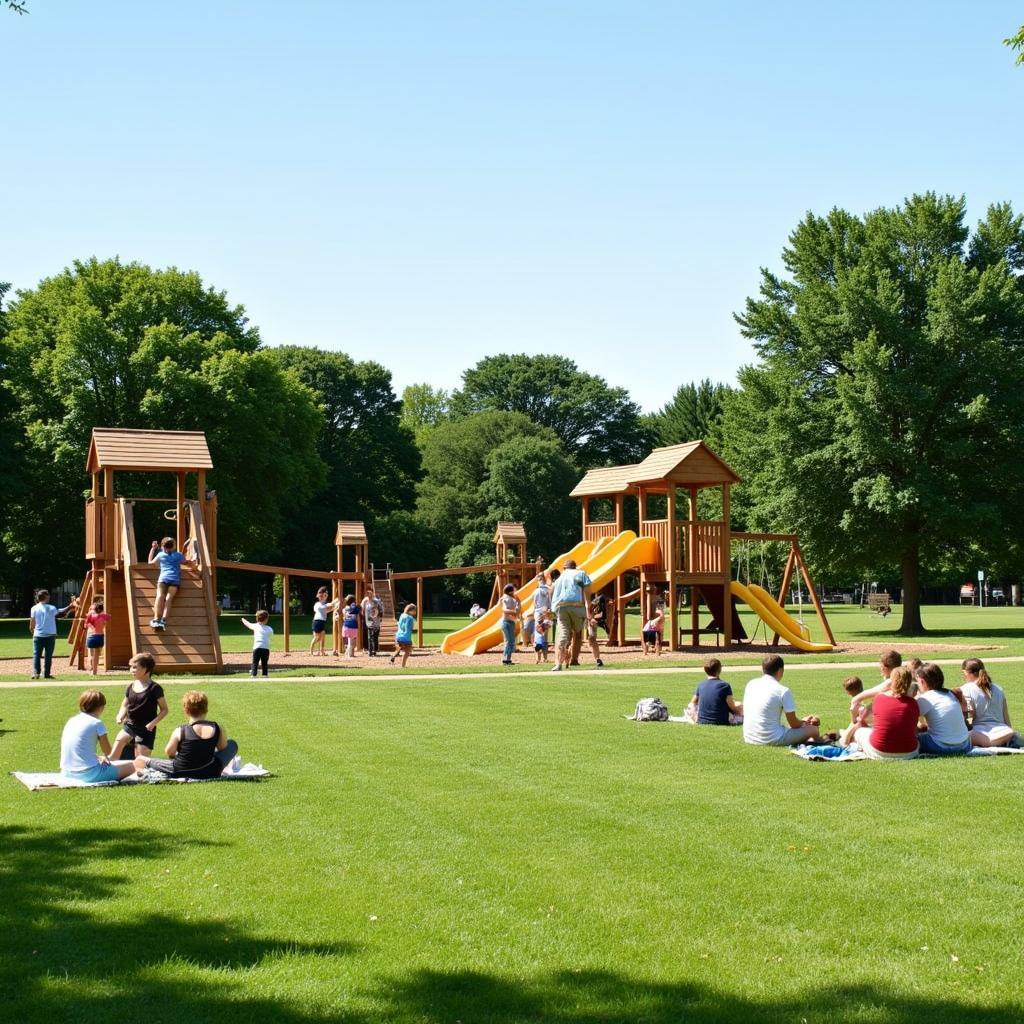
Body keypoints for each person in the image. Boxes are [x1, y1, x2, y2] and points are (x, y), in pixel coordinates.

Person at [135, 690, 239, 779]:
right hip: (210, 771)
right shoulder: (217, 728)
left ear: (186, 711)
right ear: (206, 708)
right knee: (232, 744)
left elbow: (169, 752)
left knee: (142, 759)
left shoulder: (180, 730)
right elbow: (222, 747)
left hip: (180, 771)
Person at [840, 666, 919, 759]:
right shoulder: (914, 703)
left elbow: (861, 719)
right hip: (910, 753)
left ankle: (845, 742)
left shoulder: (880, 698)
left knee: (859, 730)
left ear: (891, 682)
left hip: (880, 751)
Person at [742, 654, 821, 746]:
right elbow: (794, 724)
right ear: (780, 671)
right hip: (771, 739)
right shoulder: (783, 690)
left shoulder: (751, 684)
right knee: (814, 730)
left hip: (749, 737)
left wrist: (803, 722)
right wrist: (806, 723)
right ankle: (820, 742)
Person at [61, 689, 138, 783]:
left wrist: (97, 758)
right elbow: (109, 754)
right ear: (100, 707)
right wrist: (122, 741)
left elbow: (78, 749)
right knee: (135, 765)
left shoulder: (72, 721)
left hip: (67, 773)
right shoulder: (97, 723)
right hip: (90, 774)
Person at [109, 653, 169, 760]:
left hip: (146, 730)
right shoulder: (131, 686)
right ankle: (107, 771)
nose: (131, 670)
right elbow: (125, 704)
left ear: (146, 669)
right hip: (130, 726)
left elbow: (164, 710)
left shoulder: (155, 688)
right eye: (131, 667)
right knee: (115, 754)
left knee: (140, 762)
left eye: (135, 667)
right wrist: (120, 715)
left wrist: (152, 723)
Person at [914, 662, 972, 756]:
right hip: (965, 745)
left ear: (922, 681)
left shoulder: (926, 698)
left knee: (911, 738)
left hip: (941, 746)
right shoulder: (951, 694)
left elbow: (908, 718)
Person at [961, 657, 1019, 748]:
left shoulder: (966, 689)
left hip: (980, 733)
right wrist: (1010, 731)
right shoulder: (999, 689)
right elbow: (1006, 718)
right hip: (1004, 731)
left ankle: (990, 743)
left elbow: (969, 717)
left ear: (966, 673)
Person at [549, 561, 592, 672]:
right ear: (575, 567)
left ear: (564, 568)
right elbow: (587, 597)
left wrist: (552, 608)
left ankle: (558, 663)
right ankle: (574, 659)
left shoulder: (559, 578)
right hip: (577, 606)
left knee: (562, 635)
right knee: (577, 632)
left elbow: (551, 590)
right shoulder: (581, 574)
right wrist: (589, 612)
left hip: (561, 607)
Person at [29, 588, 78, 680]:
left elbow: (32, 622)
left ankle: (36, 673)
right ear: (46, 597)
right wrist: (70, 606)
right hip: (50, 635)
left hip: (38, 635)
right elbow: (61, 613)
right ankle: (46, 674)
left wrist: (32, 630)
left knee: (36, 654)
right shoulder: (51, 608)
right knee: (48, 655)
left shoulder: (34, 608)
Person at [147, 536, 194, 630]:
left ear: (162, 546)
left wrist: (153, 549)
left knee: (160, 597)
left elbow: (150, 563)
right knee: (168, 599)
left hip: (163, 579)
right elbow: (185, 562)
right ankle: (163, 620)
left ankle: (156, 619)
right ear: (174, 546)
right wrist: (191, 561)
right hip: (175, 580)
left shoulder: (160, 555)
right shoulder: (178, 555)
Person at [688, 658, 742, 725]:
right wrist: (739, 713)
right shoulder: (724, 685)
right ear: (720, 670)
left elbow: (692, 704)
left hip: (702, 720)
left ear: (705, 670)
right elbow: (732, 706)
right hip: (722, 720)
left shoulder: (701, 685)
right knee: (740, 705)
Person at [849, 649, 903, 715]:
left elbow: (858, 698)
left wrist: (855, 701)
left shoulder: (891, 682)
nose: (880, 668)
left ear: (885, 667)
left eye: (881, 665)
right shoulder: (902, 679)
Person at [83, 598, 112, 676]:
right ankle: (94, 671)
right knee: (96, 655)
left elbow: (85, 625)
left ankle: (92, 667)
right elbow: (109, 617)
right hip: (100, 636)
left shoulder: (90, 615)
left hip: (91, 636)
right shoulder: (103, 616)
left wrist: (90, 613)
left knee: (91, 653)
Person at [241, 609, 274, 677]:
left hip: (257, 647)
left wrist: (243, 620)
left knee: (255, 662)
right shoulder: (269, 628)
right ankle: (265, 674)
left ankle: (253, 674)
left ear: (257, 618)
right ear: (266, 619)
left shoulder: (255, 626)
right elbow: (271, 634)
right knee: (264, 662)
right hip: (266, 648)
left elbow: (248, 624)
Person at [309, 586, 340, 657]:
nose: (324, 597)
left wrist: (335, 606)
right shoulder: (317, 604)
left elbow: (327, 610)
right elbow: (324, 607)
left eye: (325, 596)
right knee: (317, 637)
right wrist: (333, 602)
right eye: (323, 596)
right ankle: (311, 651)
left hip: (322, 622)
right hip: (317, 622)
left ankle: (322, 651)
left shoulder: (323, 605)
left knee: (323, 635)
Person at [500, 583, 521, 665]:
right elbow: (505, 610)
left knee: (510, 641)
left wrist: (518, 603)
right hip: (507, 622)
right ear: (510, 591)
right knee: (510, 641)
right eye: (514, 589)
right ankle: (505, 659)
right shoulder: (508, 599)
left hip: (508, 622)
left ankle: (507, 659)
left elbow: (517, 611)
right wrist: (514, 612)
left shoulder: (510, 599)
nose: (515, 591)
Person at [390, 603, 416, 667]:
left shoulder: (402, 615)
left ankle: (393, 656)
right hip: (406, 637)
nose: (415, 612)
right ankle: (403, 665)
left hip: (398, 636)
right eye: (414, 610)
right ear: (410, 611)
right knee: (407, 652)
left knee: (399, 648)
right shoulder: (410, 618)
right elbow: (409, 628)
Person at [362, 588, 384, 656]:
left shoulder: (377, 601)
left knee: (375, 636)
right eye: (368, 593)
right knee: (370, 636)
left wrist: (380, 617)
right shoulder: (366, 601)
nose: (369, 595)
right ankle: (370, 651)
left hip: (376, 621)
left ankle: (374, 650)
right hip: (369, 622)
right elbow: (363, 610)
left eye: (370, 593)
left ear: (372, 593)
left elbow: (381, 610)